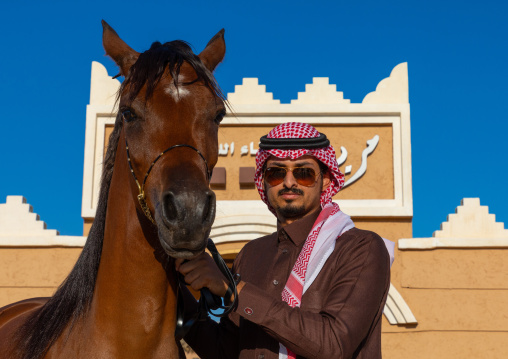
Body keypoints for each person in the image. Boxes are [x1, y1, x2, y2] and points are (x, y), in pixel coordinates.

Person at [176, 122, 392, 359]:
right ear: (263, 180)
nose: (289, 182)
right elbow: (225, 351)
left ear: (327, 179)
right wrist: (174, 285)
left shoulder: (359, 248)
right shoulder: (251, 254)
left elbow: (333, 344)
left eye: (304, 173)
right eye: (276, 173)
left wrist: (232, 289)